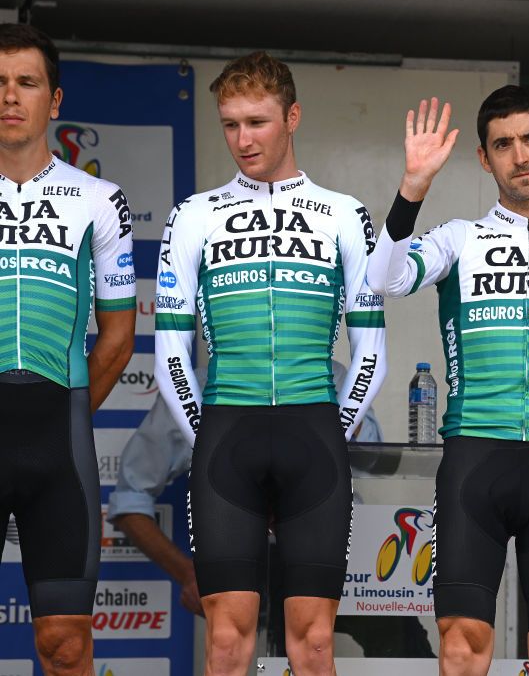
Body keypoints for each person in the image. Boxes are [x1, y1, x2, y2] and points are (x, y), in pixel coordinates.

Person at [367, 87, 529, 676]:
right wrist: (413, 188)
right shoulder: (459, 239)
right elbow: (384, 277)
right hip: (474, 461)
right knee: (462, 646)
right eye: (503, 144)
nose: (519, 155)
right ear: (485, 159)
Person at [154, 51, 386, 675]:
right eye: (229, 124)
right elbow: (170, 348)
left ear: (293, 117)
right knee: (227, 643)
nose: (242, 139)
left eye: (256, 122)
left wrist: (334, 429)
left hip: (315, 430)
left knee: (312, 645)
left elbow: (371, 348)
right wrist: (208, 432)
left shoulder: (344, 214)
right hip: (228, 430)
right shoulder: (192, 217)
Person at [0, 23, 135, 674]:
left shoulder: (98, 199)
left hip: (59, 439)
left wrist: (72, 411)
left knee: (66, 644)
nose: (10, 95)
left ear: (53, 101)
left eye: (26, 82)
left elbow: (117, 334)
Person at [107, 362, 382, 618]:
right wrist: (188, 574)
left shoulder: (332, 375)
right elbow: (130, 499)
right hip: (248, 570)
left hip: (343, 560)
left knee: (405, 649)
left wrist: (321, 394)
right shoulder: (196, 386)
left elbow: (372, 460)